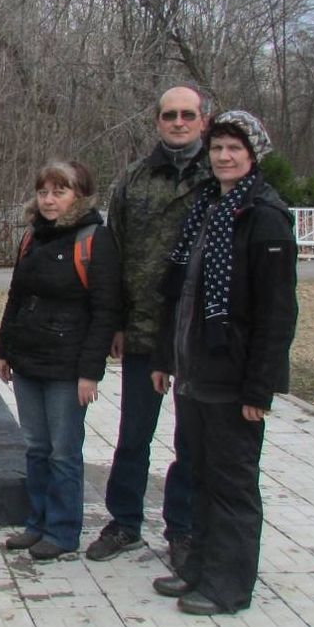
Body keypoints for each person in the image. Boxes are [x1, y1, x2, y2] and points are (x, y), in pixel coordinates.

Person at [148, 110, 298, 615]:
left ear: (253, 155)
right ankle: (200, 568)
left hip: (233, 378)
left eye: (234, 148)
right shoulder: (207, 208)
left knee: (233, 483)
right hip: (196, 371)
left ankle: (229, 585)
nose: (224, 157)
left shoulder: (265, 216)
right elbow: (181, 294)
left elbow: (278, 313)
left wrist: (261, 389)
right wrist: (168, 357)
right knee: (201, 474)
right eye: (217, 149)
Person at [87, 85, 209, 568]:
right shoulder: (135, 179)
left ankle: (182, 529)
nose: (178, 123)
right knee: (134, 434)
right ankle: (124, 523)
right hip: (140, 329)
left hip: (198, 335)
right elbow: (112, 254)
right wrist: (115, 320)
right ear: (157, 122)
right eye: (169, 115)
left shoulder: (217, 177)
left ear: (202, 120)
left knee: (190, 440)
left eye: (187, 115)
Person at [0, 160, 122, 560]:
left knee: (63, 451)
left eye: (60, 191)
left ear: (79, 196)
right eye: (44, 192)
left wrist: (90, 372)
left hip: (68, 366)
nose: (50, 200)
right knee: (35, 445)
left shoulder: (95, 240)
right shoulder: (32, 237)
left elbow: (105, 312)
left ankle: (64, 529)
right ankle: (38, 522)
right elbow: (17, 294)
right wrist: (5, 348)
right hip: (29, 359)